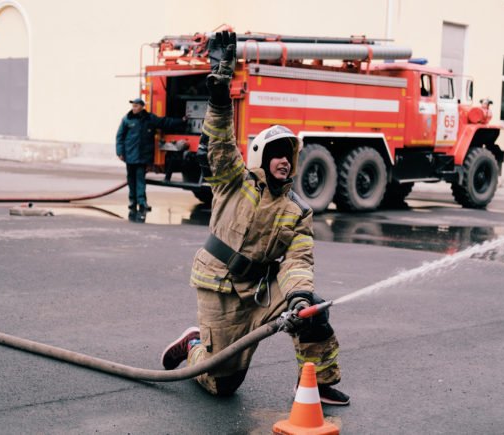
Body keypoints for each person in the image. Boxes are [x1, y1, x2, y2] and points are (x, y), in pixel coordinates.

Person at [160, 31, 349, 406]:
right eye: (276, 153)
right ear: (262, 156)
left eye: (288, 155)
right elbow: (219, 144)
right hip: (219, 289)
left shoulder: (297, 210)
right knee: (221, 385)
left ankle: (317, 383)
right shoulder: (234, 180)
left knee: (312, 307)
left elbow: (298, 259)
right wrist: (219, 95)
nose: (283, 160)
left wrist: (295, 296)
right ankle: (196, 343)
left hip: (261, 292)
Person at [115, 98, 186, 212]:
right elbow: (120, 137)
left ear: (142, 107)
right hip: (130, 155)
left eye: (136, 106)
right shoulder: (127, 120)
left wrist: (181, 120)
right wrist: (119, 152)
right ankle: (132, 201)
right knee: (131, 179)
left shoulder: (150, 119)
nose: (134, 108)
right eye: (133, 106)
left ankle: (142, 202)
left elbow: (165, 122)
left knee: (140, 180)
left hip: (143, 157)